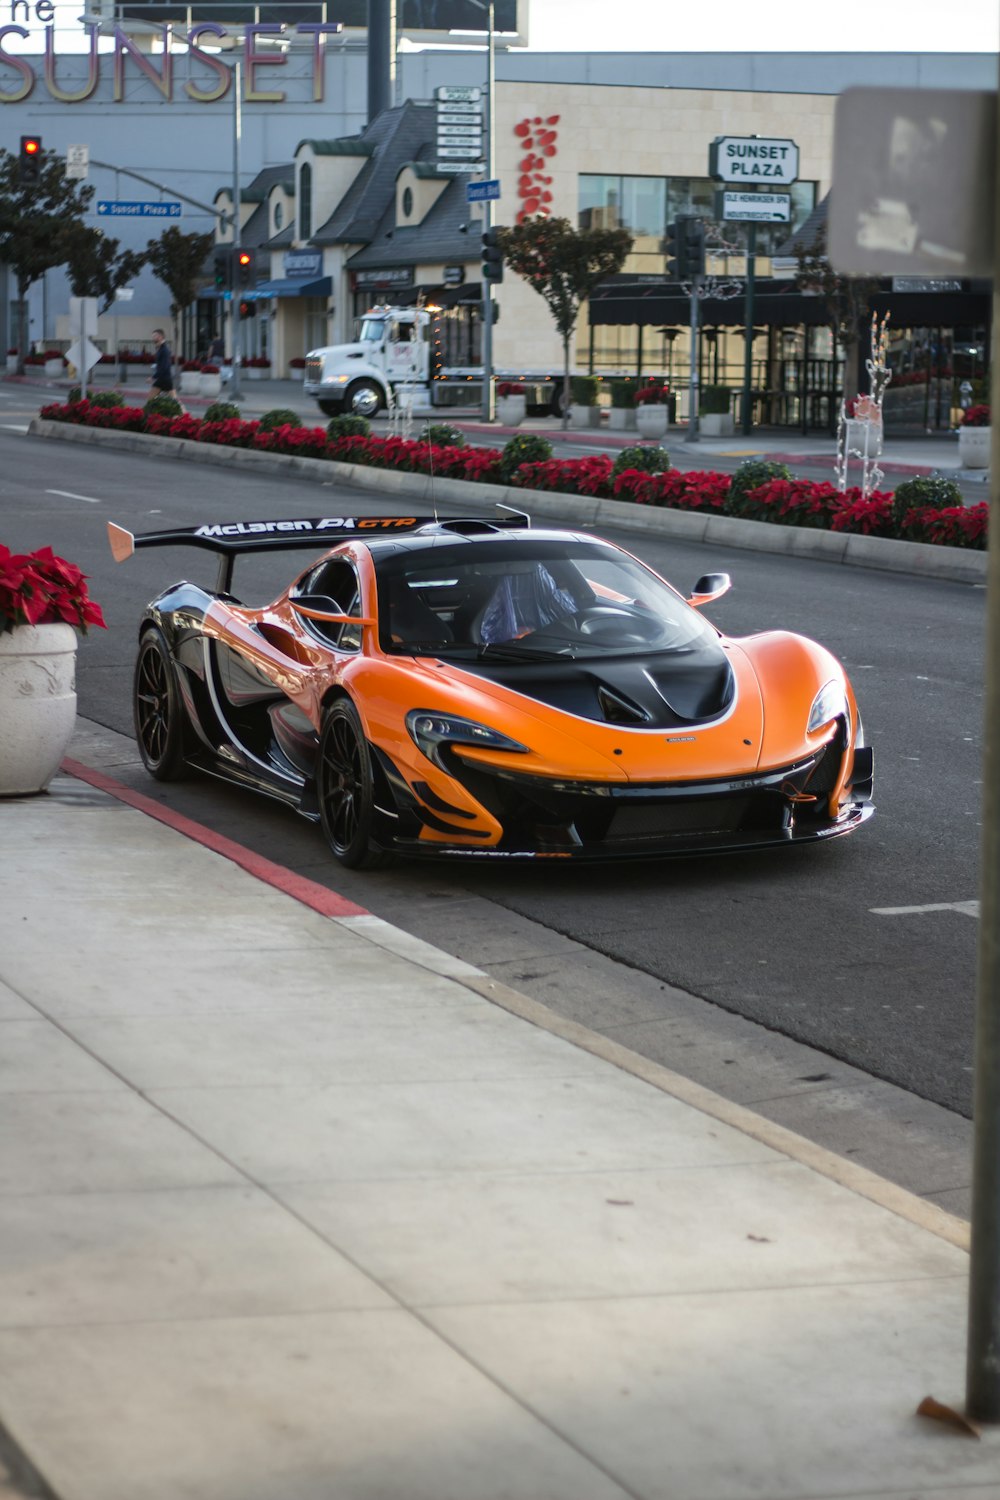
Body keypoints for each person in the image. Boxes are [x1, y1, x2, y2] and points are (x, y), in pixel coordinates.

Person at [149, 329, 177, 400]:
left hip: (164, 379)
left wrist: (153, 377)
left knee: (151, 399)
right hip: (165, 379)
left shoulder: (164, 350)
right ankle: (183, 411)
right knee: (175, 401)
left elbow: (164, 366)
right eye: (152, 336)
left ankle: (149, 410)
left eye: (155, 336)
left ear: (160, 337)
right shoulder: (161, 348)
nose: (153, 338)